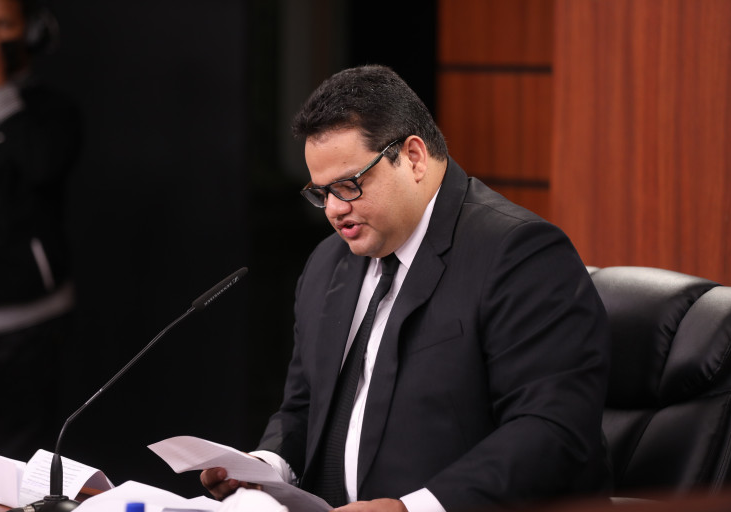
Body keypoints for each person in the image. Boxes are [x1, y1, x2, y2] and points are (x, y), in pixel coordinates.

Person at [201, 64, 612, 511]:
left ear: (413, 157)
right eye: (321, 193)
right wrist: (264, 467)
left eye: (348, 185)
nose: (334, 209)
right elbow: (303, 408)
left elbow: (552, 430)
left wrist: (412, 508)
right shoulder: (327, 264)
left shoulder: (519, 254)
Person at [0, 0, 80, 460]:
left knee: (13, 465)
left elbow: (41, 165)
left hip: (26, 322)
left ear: (32, 31)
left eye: (2, 24)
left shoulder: (53, 110)